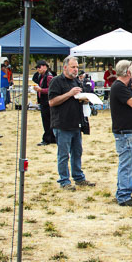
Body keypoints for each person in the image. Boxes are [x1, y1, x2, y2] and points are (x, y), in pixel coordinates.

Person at [49, 56, 94, 190]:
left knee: (77, 152)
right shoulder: (56, 81)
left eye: (77, 67)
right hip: (62, 124)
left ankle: (79, 177)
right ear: (65, 67)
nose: (75, 70)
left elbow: (77, 98)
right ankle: (64, 181)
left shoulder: (76, 82)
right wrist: (69, 94)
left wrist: (84, 99)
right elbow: (52, 102)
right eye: (73, 67)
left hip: (76, 123)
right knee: (63, 154)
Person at [110, 60, 132, 206]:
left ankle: (124, 192)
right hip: (125, 132)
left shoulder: (123, 86)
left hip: (129, 131)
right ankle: (123, 196)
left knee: (129, 164)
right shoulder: (119, 87)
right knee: (127, 164)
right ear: (127, 72)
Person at [32, 60, 56, 146]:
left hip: (47, 101)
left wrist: (40, 90)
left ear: (45, 66)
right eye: (37, 67)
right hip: (44, 101)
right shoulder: (41, 76)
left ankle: (47, 139)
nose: (38, 69)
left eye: (40, 67)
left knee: (46, 121)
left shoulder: (48, 77)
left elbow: (51, 89)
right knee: (48, 120)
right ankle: (52, 138)